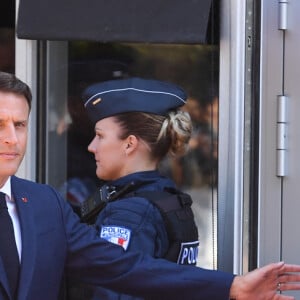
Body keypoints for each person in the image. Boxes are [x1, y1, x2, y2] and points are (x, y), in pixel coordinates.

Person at [0, 71, 300, 300]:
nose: (12, 138)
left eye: (20, 125)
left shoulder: (43, 203)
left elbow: (124, 268)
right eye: (0, 124)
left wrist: (233, 285)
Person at [67, 77, 200, 300]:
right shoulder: (167, 198)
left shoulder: (130, 214)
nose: (91, 147)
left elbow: (114, 291)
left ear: (129, 143)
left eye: (100, 136)